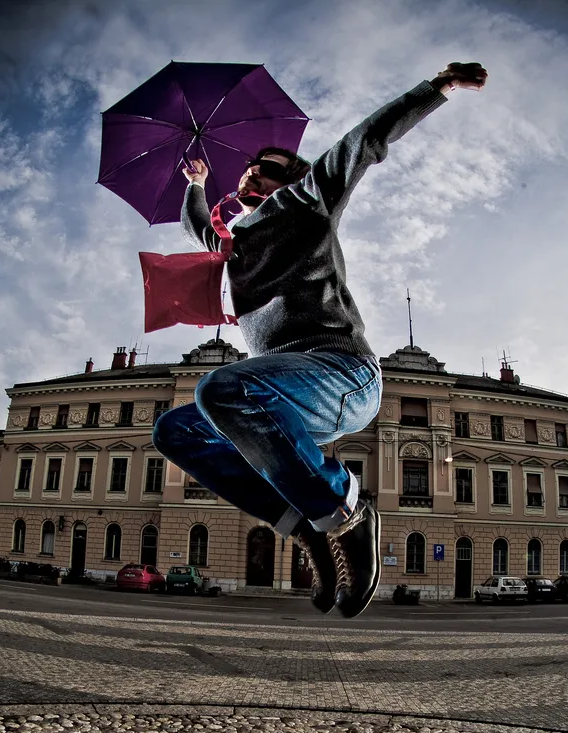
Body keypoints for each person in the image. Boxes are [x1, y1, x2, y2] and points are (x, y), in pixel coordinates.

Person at [153, 62, 488, 618]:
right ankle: (304, 526)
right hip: (288, 395)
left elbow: (363, 143)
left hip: (342, 374)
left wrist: (438, 86)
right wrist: (194, 182)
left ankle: (346, 512)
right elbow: (200, 229)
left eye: (270, 167)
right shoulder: (235, 244)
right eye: (252, 167)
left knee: (221, 390)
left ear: (292, 179)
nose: (255, 172)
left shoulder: (307, 202)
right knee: (176, 431)